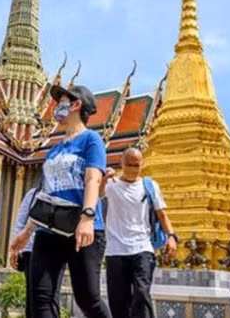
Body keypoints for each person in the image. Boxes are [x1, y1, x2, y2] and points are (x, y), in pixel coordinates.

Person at [9, 84, 111, 318]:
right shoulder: (53, 151)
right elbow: (47, 195)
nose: (57, 107)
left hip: (81, 229)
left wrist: (87, 217)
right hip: (49, 229)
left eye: (63, 101)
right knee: (41, 297)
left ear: (76, 105)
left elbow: (93, 179)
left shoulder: (91, 140)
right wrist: (27, 231)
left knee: (88, 299)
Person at [101, 148, 177, 318]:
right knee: (118, 301)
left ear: (142, 164)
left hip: (142, 248)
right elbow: (96, 196)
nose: (133, 169)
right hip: (115, 250)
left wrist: (171, 236)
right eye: (129, 165)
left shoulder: (149, 186)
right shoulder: (111, 186)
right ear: (121, 163)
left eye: (137, 165)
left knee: (142, 294)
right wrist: (103, 179)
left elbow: (162, 215)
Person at [10, 186, 39, 318]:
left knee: (47, 297)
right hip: (30, 249)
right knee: (32, 296)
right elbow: (20, 222)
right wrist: (16, 248)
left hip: (52, 248)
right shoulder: (33, 194)